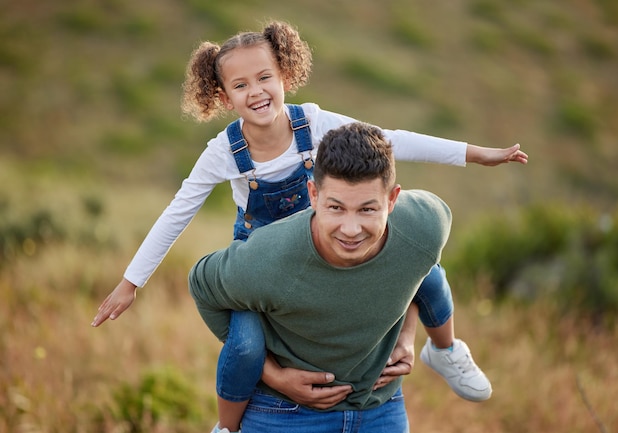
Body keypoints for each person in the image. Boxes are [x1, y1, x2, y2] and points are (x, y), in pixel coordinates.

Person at [91, 21, 528, 432]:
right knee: (244, 346)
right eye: (240, 85)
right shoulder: (224, 151)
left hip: (327, 232)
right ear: (224, 97)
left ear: (285, 74)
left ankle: (446, 349)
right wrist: (131, 283)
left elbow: (390, 138)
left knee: (427, 268)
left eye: (265, 77)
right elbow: (177, 211)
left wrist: (477, 153)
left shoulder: (312, 122)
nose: (256, 92)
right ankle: (226, 425)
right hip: (262, 254)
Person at [189, 121, 453, 432]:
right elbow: (201, 284)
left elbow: (419, 270)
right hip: (284, 412)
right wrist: (272, 374)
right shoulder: (268, 259)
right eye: (336, 208)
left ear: (392, 200)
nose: (351, 229)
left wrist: (407, 336)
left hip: (381, 409)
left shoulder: (426, 225)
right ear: (313, 195)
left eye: (367, 210)